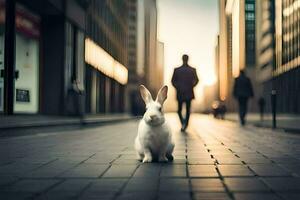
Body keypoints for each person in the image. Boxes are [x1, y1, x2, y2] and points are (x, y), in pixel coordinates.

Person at [171, 54, 199, 131]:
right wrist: (192, 86)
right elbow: (197, 80)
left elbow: (173, 81)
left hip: (181, 92)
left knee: (179, 110)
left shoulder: (177, 70)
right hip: (188, 93)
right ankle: (185, 124)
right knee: (187, 110)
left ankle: (184, 124)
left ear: (182, 59)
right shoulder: (192, 70)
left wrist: (178, 87)